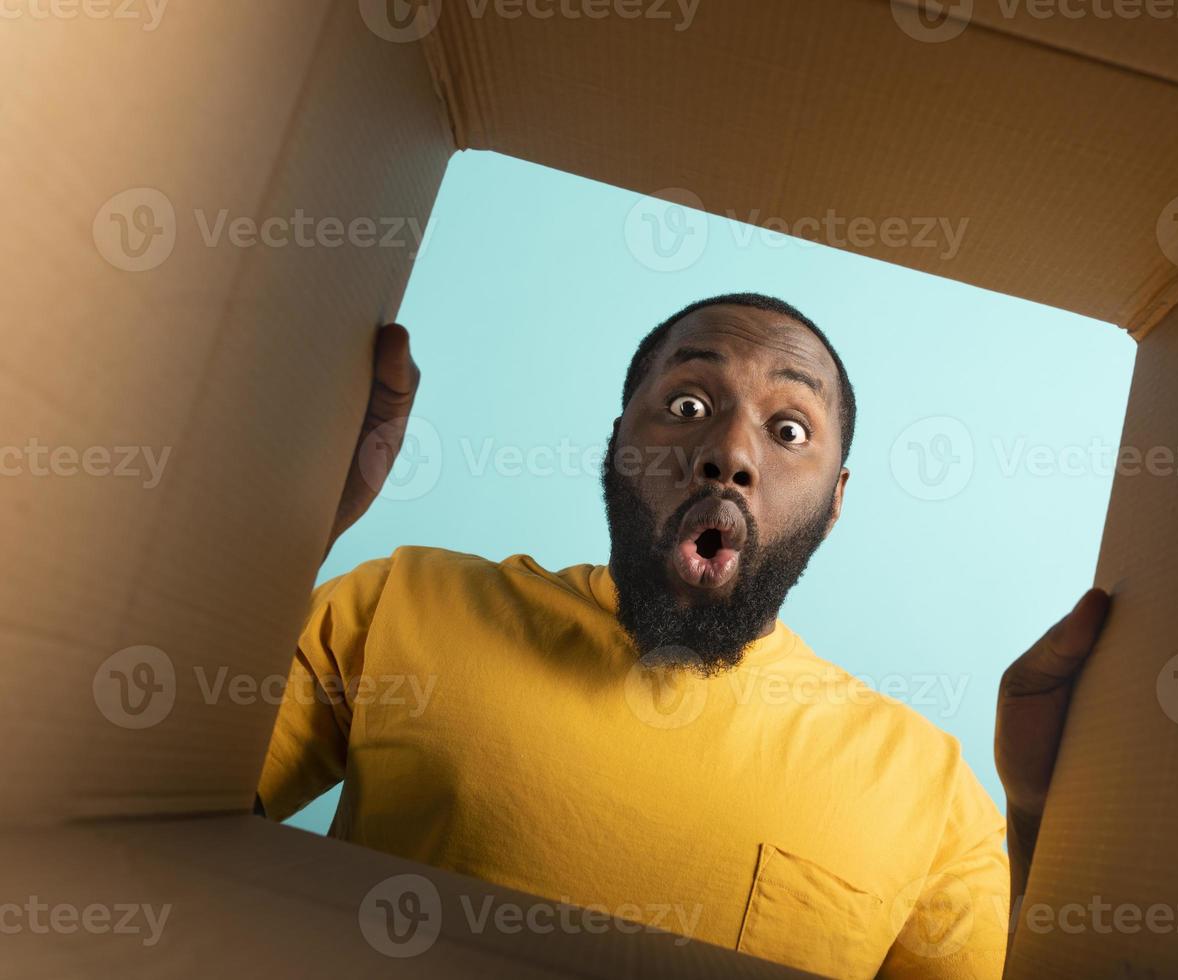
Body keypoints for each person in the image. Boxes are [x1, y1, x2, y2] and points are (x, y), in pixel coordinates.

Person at [255, 293, 1109, 978]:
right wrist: (290, 536)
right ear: (616, 445)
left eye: (789, 430)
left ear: (836, 499)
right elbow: (147, 813)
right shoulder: (403, 602)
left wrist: (1039, 818)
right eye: (688, 403)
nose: (729, 453)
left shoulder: (930, 792)